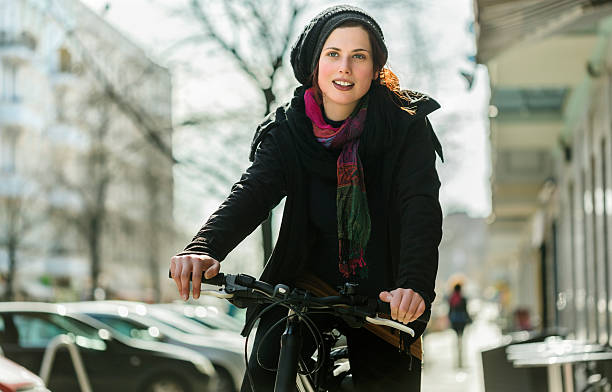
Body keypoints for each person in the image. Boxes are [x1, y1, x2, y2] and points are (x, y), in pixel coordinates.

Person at [170, 5, 444, 391]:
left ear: (375, 67)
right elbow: (254, 191)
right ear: (315, 63)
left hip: (383, 296)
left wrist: (413, 285)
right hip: (303, 287)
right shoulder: (288, 129)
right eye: (333, 54)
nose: (344, 67)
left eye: (359, 56)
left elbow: (420, 207)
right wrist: (204, 246)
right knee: (265, 368)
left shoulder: (405, 123)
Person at [448, 283, 471, 368]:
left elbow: (450, 312)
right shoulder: (463, 299)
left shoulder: (451, 299)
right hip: (462, 322)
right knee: (461, 340)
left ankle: (457, 361)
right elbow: (466, 311)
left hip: (454, 322)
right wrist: (469, 320)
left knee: (456, 340)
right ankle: (461, 360)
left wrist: (450, 321)